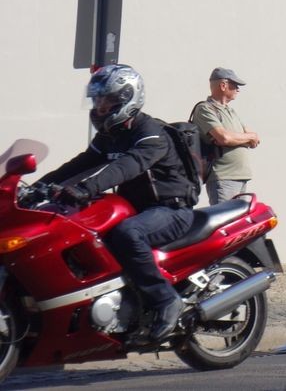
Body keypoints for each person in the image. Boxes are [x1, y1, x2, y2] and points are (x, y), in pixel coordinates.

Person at [35, 65, 193, 342]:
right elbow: (80, 164)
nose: (99, 106)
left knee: (127, 233)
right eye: (97, 100)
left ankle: (166, 300)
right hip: (136, 208)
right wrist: (40, 187)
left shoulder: (152, 134)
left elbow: (126, 167)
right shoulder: (110, 135)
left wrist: (86, 188)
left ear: (126, 99)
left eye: (106, 100)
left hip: (170, 209)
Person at [191, 68, 260, 205]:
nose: (237, 90)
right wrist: (247, 137)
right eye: (235, 85)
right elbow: (224, 138)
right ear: (223, 85)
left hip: (240, 176)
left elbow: (254, 140)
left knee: (239, 224)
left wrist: (244, 137)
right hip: (224, 177)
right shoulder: (205, 109)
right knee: (225, 222)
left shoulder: (230, 111)